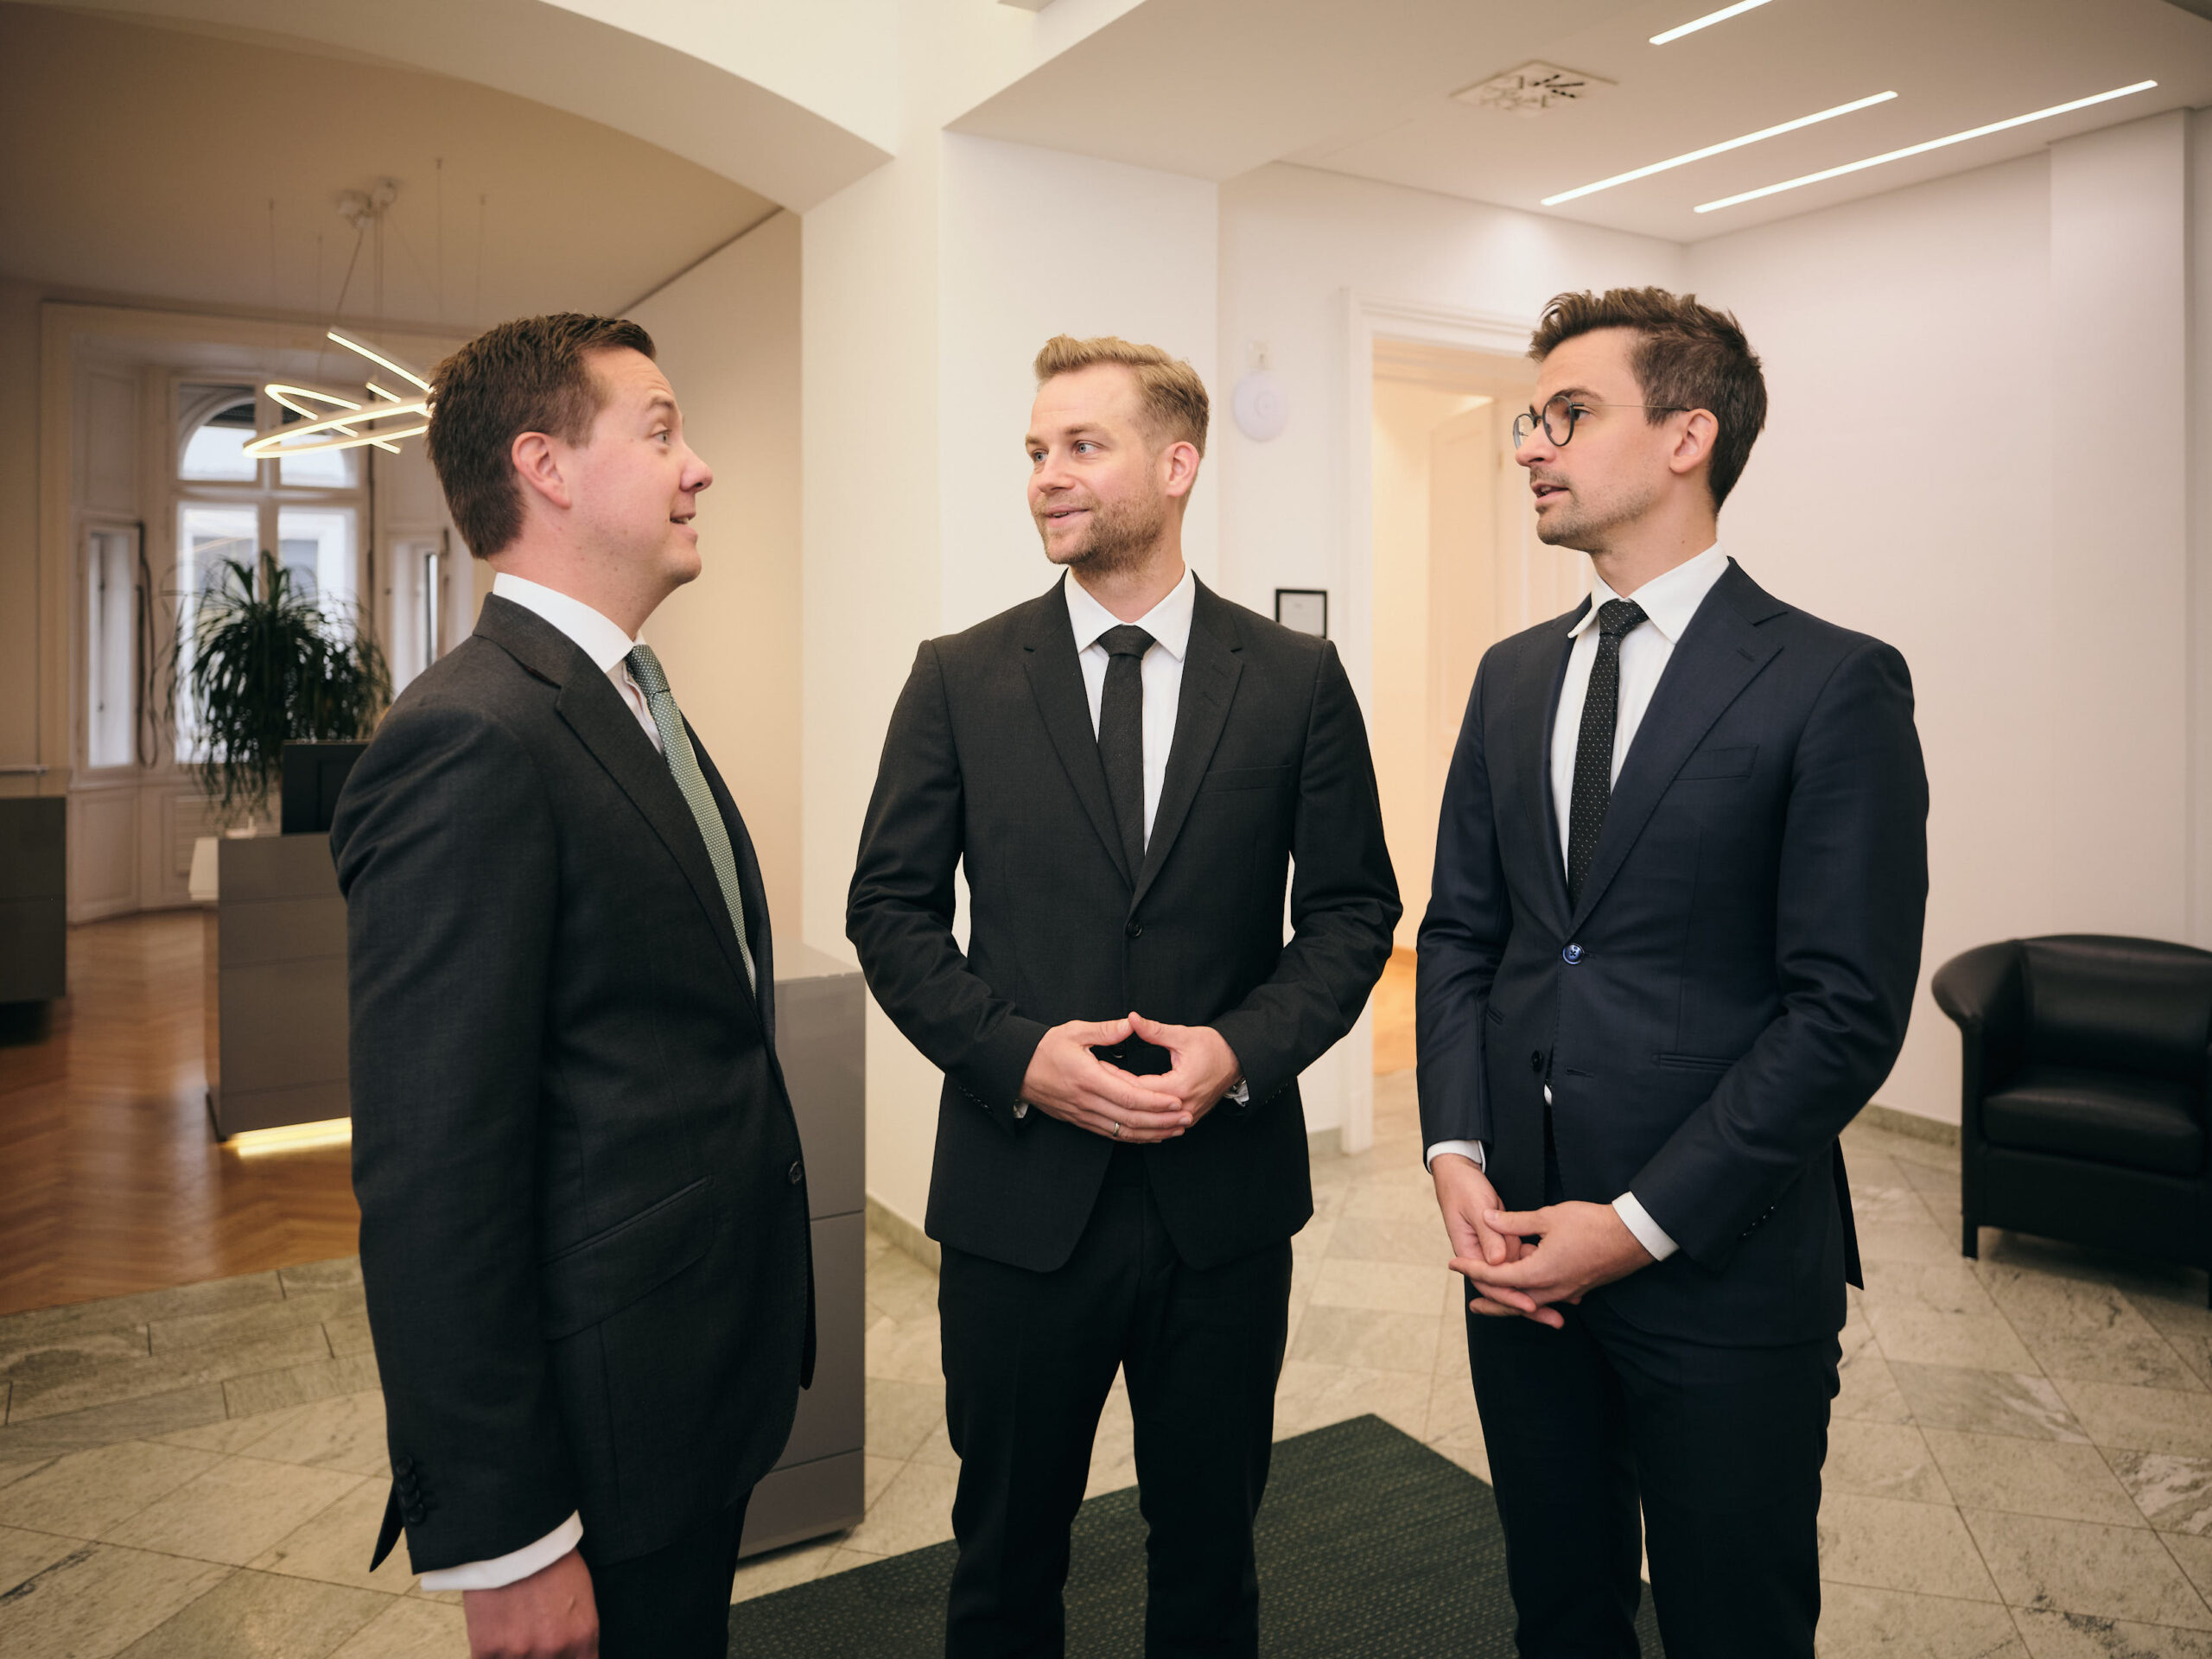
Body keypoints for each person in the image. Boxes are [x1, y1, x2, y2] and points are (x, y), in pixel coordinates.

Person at [848, 334, 1399, 1657]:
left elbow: (1352, 914)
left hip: (1222, 1206)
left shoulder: (1294, 682)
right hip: (1019, 1196)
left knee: (1210, 1559)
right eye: (1035, 452)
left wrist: (1244, 1051)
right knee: (1005, 1559)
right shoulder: (959, 676)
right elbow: (892, 913)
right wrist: (1017, 1057)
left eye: (1081, 447)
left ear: (1177, 462)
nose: (1047, 477)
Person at [1417, 289, 1928, 1656]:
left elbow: (1845, 1015)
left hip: (1723, 1266)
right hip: (1515, 1255)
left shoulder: (1832, 683)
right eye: (1531, 418)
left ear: (1690, 433)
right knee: (1560, 1607)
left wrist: (1636, 1223)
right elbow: (1464, 931)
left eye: (1568, 414)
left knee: (1732, 1623)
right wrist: (1457, 1152)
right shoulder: (1512, 677)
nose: (1531, 444)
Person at [333, 313, 814, 1659]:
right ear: (544, 466)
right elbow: (433, 1174)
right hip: (592, 1441)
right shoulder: (467, 740)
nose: (699, 465)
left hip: (685, 1384)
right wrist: (508, 1537)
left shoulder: (626, 695)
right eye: (660, 430)